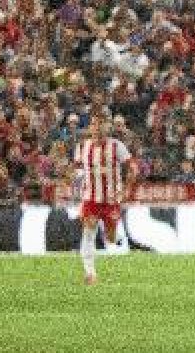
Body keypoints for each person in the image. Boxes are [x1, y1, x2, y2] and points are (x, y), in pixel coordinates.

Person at [74, 113, 138, 285]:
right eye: (95, 125)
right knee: (89, 231)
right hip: (90, 198)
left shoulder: (117, 146)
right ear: (90, 128)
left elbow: (133, 167)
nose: (98, 129)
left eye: (102, 126)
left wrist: (125, 190)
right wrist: (75, 184)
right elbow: (77, 171)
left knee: (110, 238)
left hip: (111, 199)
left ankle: (116, 237)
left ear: (108, 128)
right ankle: (90, 273)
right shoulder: (82, 146)